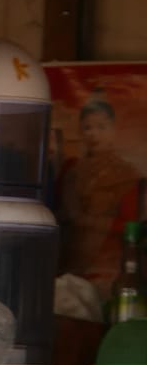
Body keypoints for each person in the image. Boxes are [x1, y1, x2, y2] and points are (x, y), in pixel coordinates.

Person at [60, 98, 141, 291]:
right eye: (87, 128)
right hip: (69, 265)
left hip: (108, 267)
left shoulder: (126, 174)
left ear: (113, 131)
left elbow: (131, 226)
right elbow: (61, 216)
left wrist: (87, 221)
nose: (94, 134)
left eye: (101, 127)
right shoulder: (71, 171)